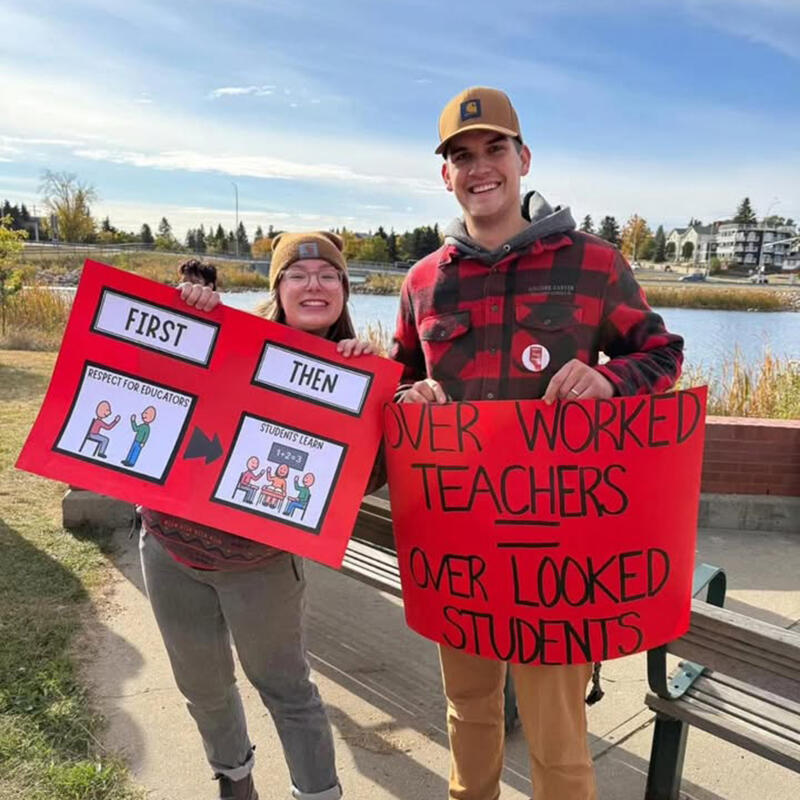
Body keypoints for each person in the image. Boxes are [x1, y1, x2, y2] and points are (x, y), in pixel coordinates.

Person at [390, 86, 684, 800]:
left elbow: (663, 355)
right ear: (445, 175)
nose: (478, 167)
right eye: (461, 156)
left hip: (555, 551)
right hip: (458, 542)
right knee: (469, 713)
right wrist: (410, 398)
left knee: (558, 742)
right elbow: (396, 387)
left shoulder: (592, 264)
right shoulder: (423, 282)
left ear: (523, 159)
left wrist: (610, 381)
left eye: (494, 150)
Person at [139, 232, 377, 800]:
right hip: (169, 548)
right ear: (278, 287)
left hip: (260, 566)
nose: (313, 284)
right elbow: (154, 371)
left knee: (288, 691)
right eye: (298, 274)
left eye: (328, 275)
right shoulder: (227, 338)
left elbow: (360, 482)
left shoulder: (359, 373)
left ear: (344, 290)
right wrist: (189, 309)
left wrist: (372, 399)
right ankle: (234, 779)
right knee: (203, 686)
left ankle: (318, 793)